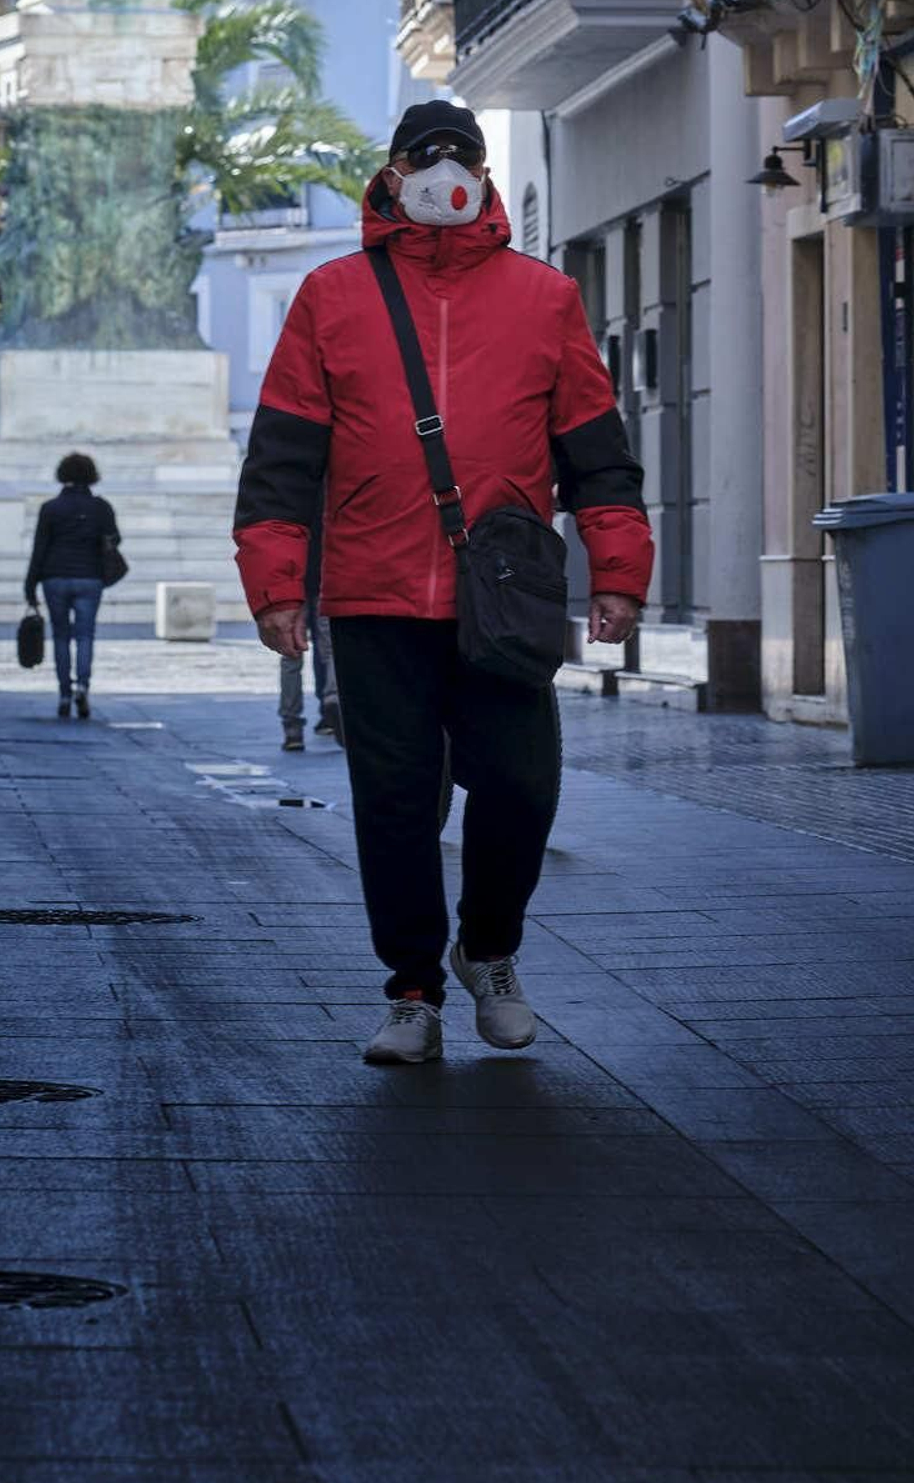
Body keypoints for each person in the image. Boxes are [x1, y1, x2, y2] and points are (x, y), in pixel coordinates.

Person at [235, 103, 651, 1066]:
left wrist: (619, 570)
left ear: (485, 172)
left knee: (521, 786)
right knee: (394, 797)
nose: (446, 171)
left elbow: (597, 453)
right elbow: (283, 457)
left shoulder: (546, 298)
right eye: (427, 156)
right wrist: (277, 584)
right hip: (375, 594)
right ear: (392, 172)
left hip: (501, 597)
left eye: (464, 154)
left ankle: (488, 949)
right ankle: (413, 990)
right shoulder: (332, 296)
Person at [24, 452, 120, 720]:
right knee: (85, 636)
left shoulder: (51, 508)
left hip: (54, 577)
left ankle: (64, 692)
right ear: (92, 475)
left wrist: (30, 585)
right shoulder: (101, 507)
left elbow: (39, 549)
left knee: (61, 636)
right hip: (90, 578)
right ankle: (83, 687)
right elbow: (115, 539)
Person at [278, 518, 341, 751]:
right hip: (324, 578)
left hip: (292, 582)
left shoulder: (291, 490)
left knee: (290, 654)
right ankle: (333, 699)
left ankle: (292, 726)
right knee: (331, 648)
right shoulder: (327, 487)